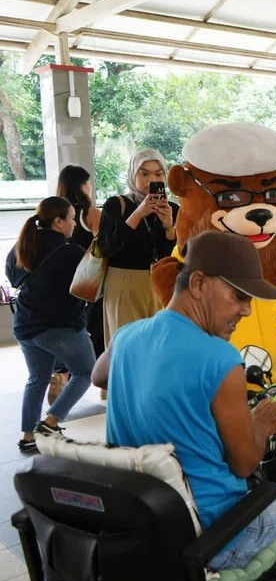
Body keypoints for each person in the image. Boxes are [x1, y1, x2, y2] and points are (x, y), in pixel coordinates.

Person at [92, 231, 276, 581]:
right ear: (200, 284)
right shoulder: (219, 357)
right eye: (239, 296)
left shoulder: (128, 336)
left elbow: (99, 376)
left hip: (144, 527)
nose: (246, 310)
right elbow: (245, 463)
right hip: (214, 534)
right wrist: (261, 423)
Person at [6, 197, 96, 452]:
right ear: (58, 221)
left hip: (24, 325)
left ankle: (28, 436)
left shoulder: (21, 247)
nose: (74, 224)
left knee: (37, 378)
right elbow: (89, 289)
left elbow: (14, 279)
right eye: (71, 218)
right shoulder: (71, 252)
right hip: (60, 327)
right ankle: (50, 423)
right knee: (85, 372)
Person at [98, 148, 179, 349]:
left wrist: (168, 225)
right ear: (133, 174)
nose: (151, 179)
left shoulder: (172, 209)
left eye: (158, 174)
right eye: (144, 173)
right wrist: (138, 213)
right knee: (127, 346)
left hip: (162, 283)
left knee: (160, 345)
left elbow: (173, 253)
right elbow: (108, 247)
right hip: (124, 282)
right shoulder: (117, 205)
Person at [47, 166, 104, 405]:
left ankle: (61, 372)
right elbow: (104, 246)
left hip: (60, 281)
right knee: (97, 326)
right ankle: (104, 382)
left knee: (67, 328)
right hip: (87, 281)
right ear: (83, 185)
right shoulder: (89, 212)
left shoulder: (53, 212)